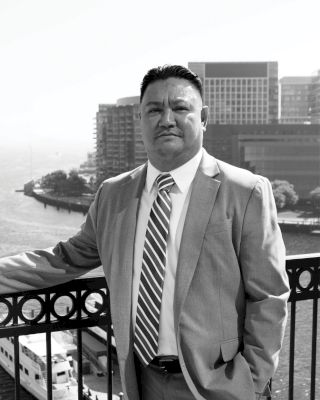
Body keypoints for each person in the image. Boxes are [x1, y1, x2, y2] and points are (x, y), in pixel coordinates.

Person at [0, 65, 290, 400]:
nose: (166, 119)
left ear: (204, 118)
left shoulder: (245, 191)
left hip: (219, 385)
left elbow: (269, 295)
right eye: (154, 110)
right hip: (141, 380)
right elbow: (63, 259)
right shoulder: (113, 194)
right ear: (141, 121)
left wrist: (250, 380)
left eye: (180, 108)